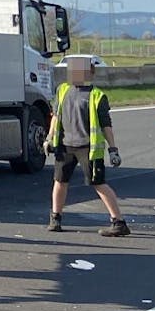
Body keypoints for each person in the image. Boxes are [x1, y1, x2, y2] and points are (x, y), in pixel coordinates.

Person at [45, 55, 129, 237]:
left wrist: (113, 149)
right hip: (65, 145)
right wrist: (50, 138)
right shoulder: (63, 90)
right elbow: (56, 116)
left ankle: (119, 222)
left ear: (89, 74)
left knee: (98, 184)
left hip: (88, 148)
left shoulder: (97, 96)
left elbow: (106, 125)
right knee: (59, 181)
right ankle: (55, 218)